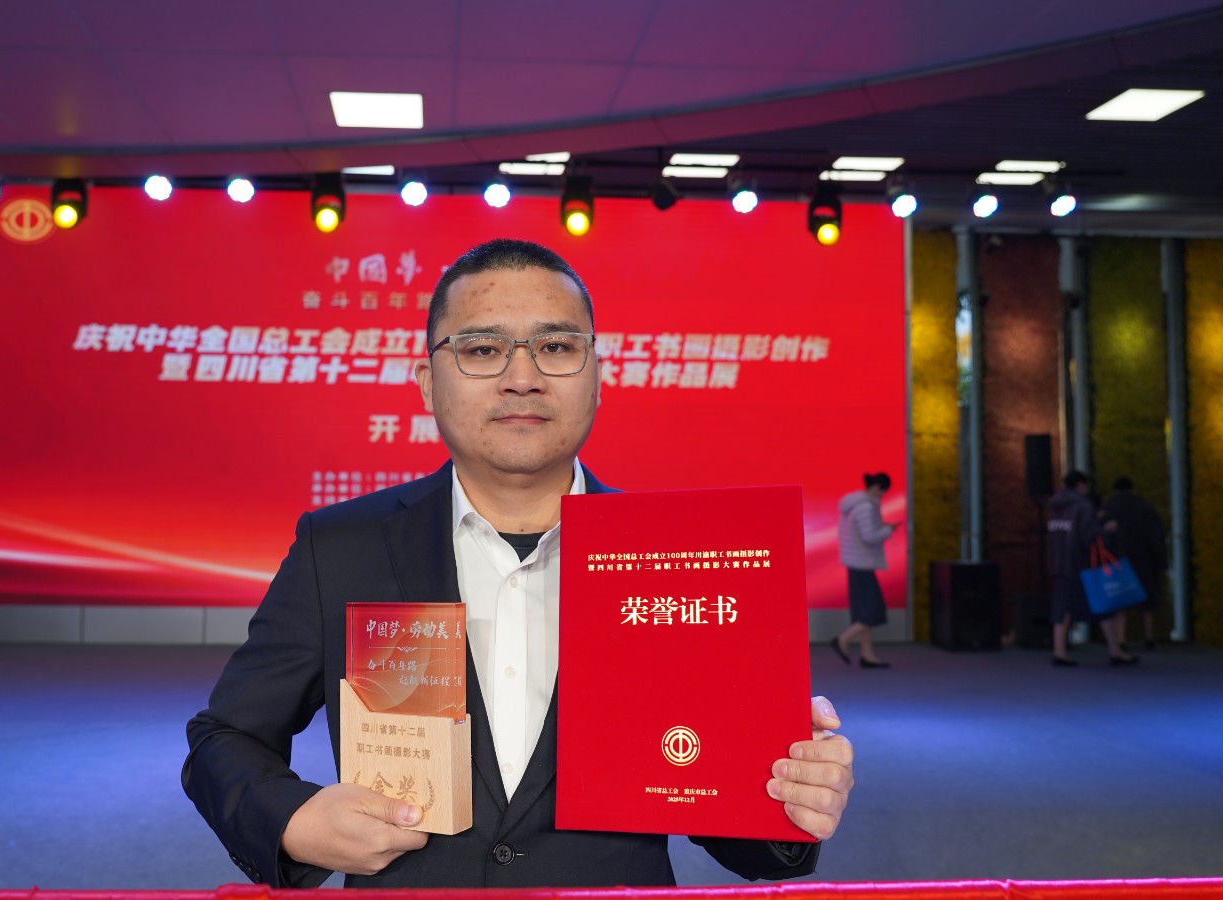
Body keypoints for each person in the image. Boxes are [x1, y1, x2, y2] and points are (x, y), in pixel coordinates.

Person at [182, 239, 855, 889]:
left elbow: (733, 815)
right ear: (428, 383)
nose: (523, 378)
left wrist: (794, 796)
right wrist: (292, 822)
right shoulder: (340, 548)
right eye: (482, 350)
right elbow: (226, 736)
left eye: (557, 347)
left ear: (597, 375)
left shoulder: (679, 562)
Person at [1046, 470, 1136, 667]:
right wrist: (1106, 530)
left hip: (1059, 562)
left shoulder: (1055, 506)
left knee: (1062, 607)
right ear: (1081, 485)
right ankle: (1115, 651)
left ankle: (1059, 651)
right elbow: (1089, 538)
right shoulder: (1083, 507)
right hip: (1082, 564)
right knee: (1104, 604)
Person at [831, 472, 898, 668]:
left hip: (856, 563)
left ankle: (867, 655)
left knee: (863, 612)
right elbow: (869, 537)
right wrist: (888, 530)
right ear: (876, 488)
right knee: (872, 611)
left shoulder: (853, 504)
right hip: (862, 563)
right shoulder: (865, 507)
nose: (882, 496)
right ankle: (843, 640)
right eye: (883, 492)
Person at [1101, 476, 1168, 650]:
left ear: (1115, 489)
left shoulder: (1109, 507)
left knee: (1120, 599)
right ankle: (1149, 636)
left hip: (1117, 559)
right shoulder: (1145, 507)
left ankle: (1121, 639)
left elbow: (1102, 535)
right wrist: (1160, 559)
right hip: (1143, 558)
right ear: (1133, 488)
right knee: (1146, 598)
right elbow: (1156, 535)